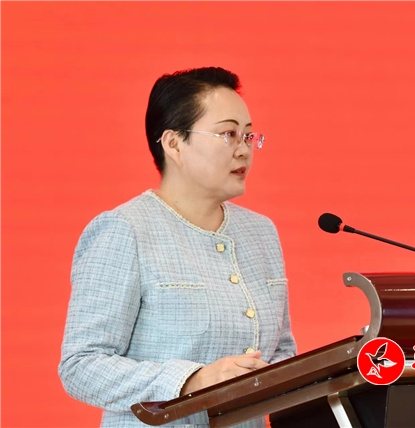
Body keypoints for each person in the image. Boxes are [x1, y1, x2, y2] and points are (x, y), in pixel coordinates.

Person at [58, 67, 297, 427]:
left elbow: (281, 351)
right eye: (228, 134)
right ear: (173, 144)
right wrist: (191, 381)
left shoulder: (260, 232)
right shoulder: (126, 230)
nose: (244, 149)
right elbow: (81, 366)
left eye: (249, 136)